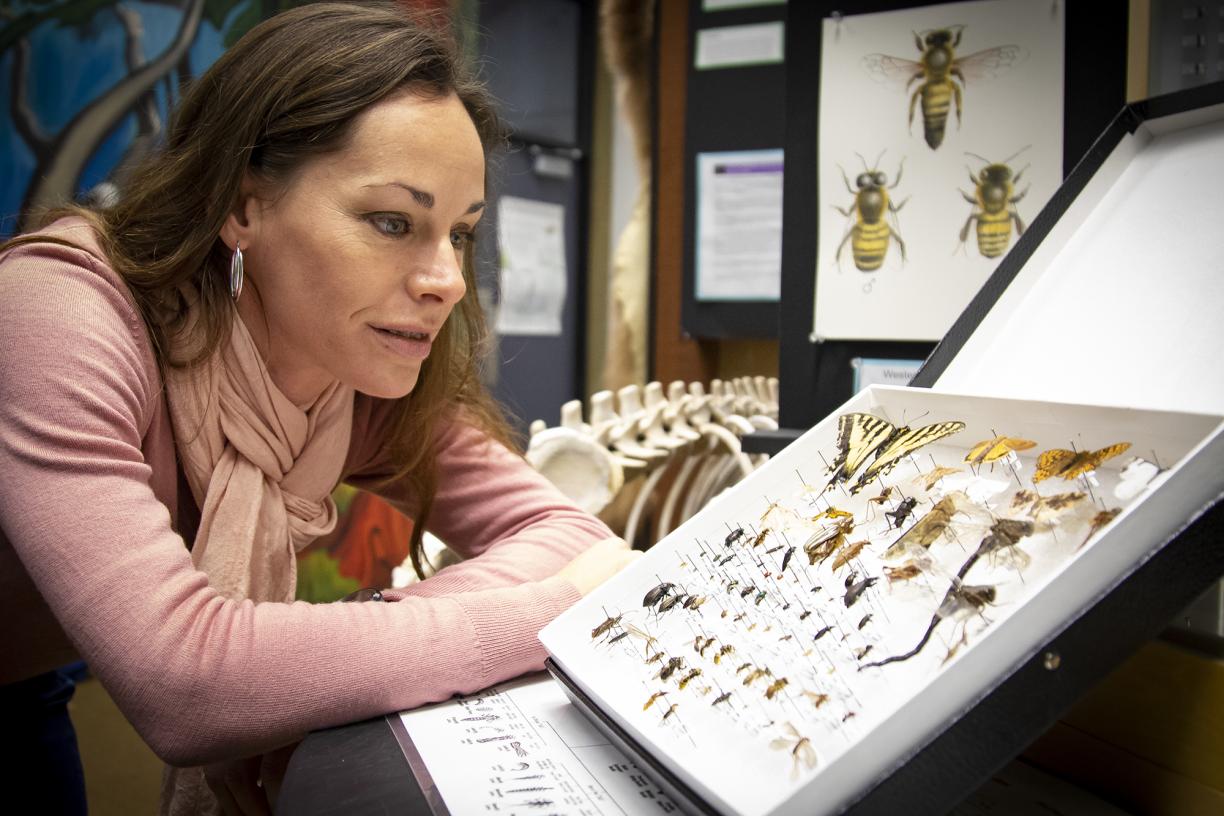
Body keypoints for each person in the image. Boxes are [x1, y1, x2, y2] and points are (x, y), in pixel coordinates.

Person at [0, 3, 639, 814]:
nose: (445, 279)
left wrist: (333, 657)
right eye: (390, 221)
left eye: (461, 234)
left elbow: (568, 533)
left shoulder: (355, 371)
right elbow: (186, 678)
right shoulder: (56, 314)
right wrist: (550, 610)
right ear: (241, 207)